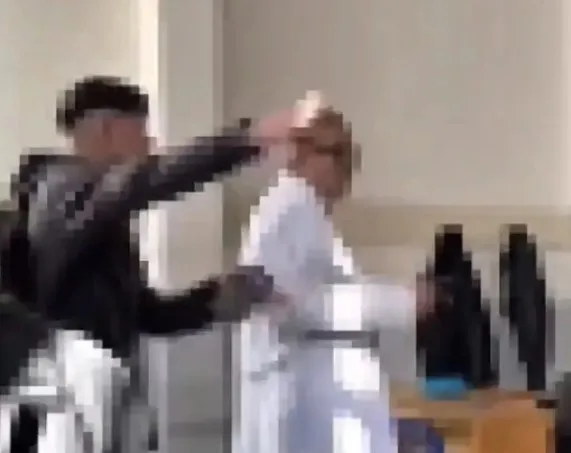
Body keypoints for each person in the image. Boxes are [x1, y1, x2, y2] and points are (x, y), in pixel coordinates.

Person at [0, 75, 298, 452]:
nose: (149, 144)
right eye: (141, 130)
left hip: (96, 405)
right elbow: (147, 180)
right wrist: (248, 140)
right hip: (65, 414)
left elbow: (149, 315)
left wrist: (217, 297)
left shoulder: (93, 217)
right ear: (107, 129)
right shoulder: (62, 188)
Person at [237, 92, 435, 453]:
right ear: (305, 154)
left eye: (351, 156)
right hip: (300, 400)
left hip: (317, 396)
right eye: (340, 154)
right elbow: (295, 303)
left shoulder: (307, 214)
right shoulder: (287, 211)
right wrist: (399, 303)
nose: (348, 171)